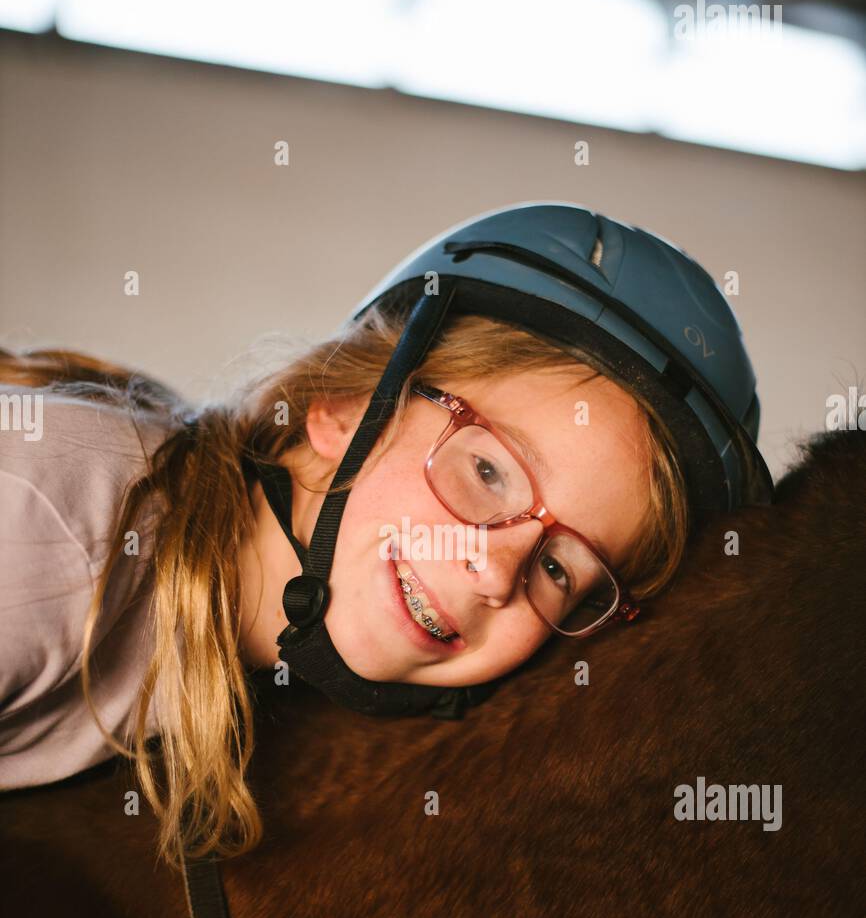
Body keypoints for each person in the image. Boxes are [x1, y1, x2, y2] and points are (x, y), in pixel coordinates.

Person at [0, 202, 772, 869]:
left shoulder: (233, 679)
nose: (496, 573)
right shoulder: (58, 518)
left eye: (560, 570)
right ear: (346, 400)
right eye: (489, 472)